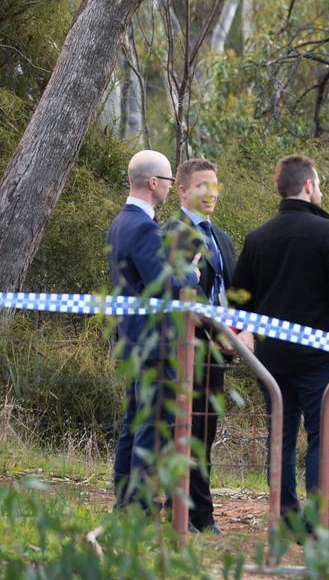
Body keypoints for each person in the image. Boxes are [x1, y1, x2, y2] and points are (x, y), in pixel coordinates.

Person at [230, 155, 329, 523]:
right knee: (323, 439)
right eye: (318, 185)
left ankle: (284, 516)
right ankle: (317, 519)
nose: (319, 191)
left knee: (280, 440)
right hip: (320, 362)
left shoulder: (258, 238)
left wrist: (246, 338)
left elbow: (239, 298)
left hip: (271, 362)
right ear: (308, 187)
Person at [162, 158, 247, 533]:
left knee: (206, 433)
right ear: (182, 190)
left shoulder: (222, 238)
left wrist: (239, 331)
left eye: (214, 185)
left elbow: (233, 294)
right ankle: (189, 514)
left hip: (217, 353)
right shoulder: (171, 233)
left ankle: (195, 512)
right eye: (201, 186)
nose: (210, 193)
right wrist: (218, 331)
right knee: (184, 432)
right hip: (183, 349)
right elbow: (186, 295)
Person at [107, 149, 184, 510]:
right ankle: (136, 505)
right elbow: (164, 284)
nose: (171, 187)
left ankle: (125, 502)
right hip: (154, 343)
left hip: (132, 338)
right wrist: (191, 274)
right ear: (154, 182)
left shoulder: (121, 222)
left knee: (134, 423)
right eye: (169, 180)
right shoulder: (143, 227)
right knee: (151, 425)